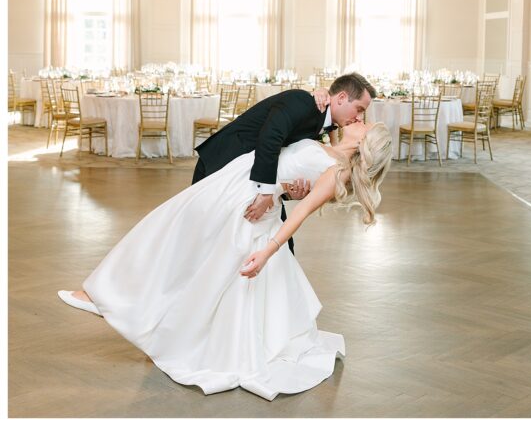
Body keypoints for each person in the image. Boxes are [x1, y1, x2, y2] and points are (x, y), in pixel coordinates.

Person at [58, 119, 392, 400]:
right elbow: (291, 180)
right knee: (170, 237)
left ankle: (123, 306)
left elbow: (301, 213)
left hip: (247, 212)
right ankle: (119, 300)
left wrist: (267, 251)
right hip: (236, 185)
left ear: (365, 141)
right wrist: (288, 187)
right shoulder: (328, 146)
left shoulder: (336, 174)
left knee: (201, 271)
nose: (358, 119)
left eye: (364, 122)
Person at [194, 73, 377, 254]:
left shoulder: (324, 124)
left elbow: (287, 161)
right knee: (206, 239)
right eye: (359, 109)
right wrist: (266, 193)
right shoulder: (302, 101)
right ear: (342, 97)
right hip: (223, 166)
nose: (360, 117)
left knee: (281, 251)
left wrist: (291, 192)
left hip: (254, 183)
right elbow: (271, 137)